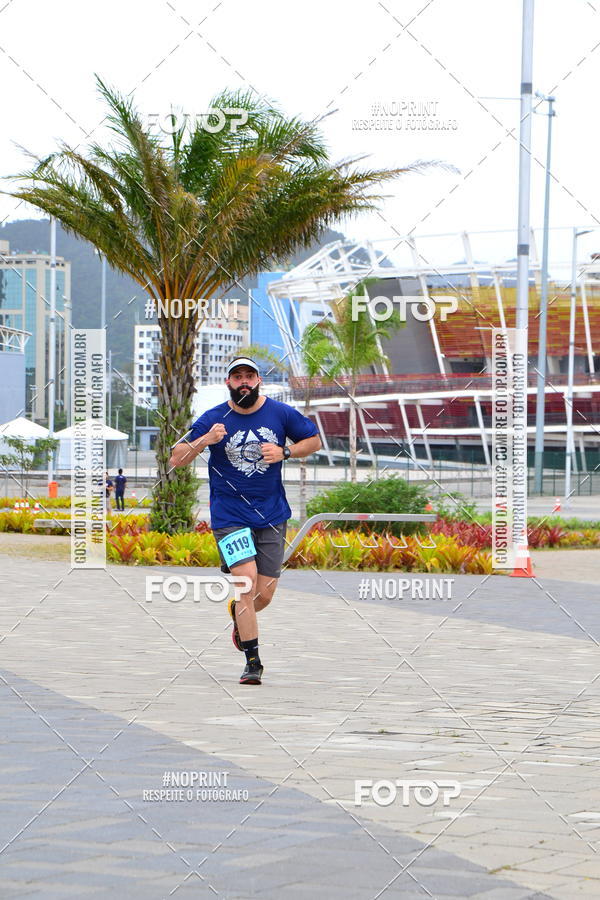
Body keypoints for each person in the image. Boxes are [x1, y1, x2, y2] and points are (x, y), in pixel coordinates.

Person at [169, 357, 321, 685]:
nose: (244, 382)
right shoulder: (212, 419)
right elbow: (175, 459)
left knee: (263, 595)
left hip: (271, 513)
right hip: (229, 514)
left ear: (258, 380)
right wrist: (204, 441)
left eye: (249, 376)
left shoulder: (281, 413)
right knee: (247, 583)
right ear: (228, 383)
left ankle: (239, 618)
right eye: (237, 377)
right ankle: (253, 662)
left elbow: (314, 441)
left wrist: (286, 452)